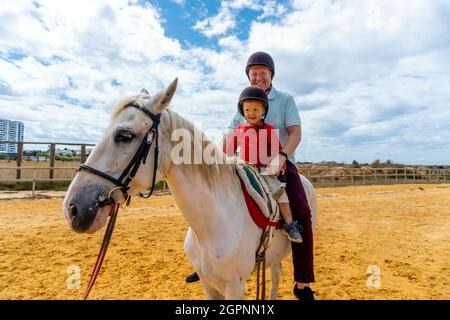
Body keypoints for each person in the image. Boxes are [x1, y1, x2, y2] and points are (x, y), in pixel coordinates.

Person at [186, 52, 316, 301]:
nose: (258, 77)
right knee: (205, 199)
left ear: (271, 75)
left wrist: (282, 156)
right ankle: (202, 264)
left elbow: (295, 133)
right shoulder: (245, 102)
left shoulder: (286, 99)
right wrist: (214, 165)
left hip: (278, 162)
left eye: (262, 73)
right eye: (253, 73)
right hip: (244, 163)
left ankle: (302, 282)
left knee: (302, 210)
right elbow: (229, 137)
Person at [224, 86, 303, 243]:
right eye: (247, 110)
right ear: (242, 111)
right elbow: (229, 152)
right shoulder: (238, 130)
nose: (251, 113)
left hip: (264, 170)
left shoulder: (269, 130)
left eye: (255, 109)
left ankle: (289, 224)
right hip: (242, 168)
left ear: (263, 112)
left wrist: (278, 168)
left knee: (280, 194)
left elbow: (276, 153)